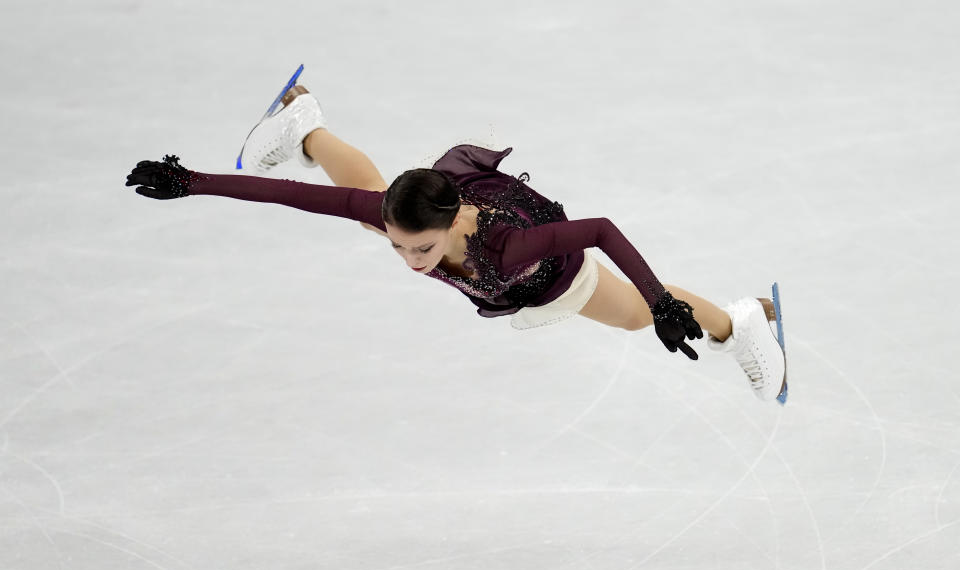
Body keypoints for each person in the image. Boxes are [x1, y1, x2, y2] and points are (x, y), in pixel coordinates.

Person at [125, 83, 786, 401]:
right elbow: (290, 196)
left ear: (452, 225)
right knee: (358, 209)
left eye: (420, 249)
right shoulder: (402, 218)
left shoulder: (509, 249)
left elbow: (601, 230)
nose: (412, 264)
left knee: (642, 316)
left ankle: (740, 323)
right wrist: (190, 181)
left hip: (557, 276)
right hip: (463, 235)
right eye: (401, 248)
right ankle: (304, 126)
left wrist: (660, 302)